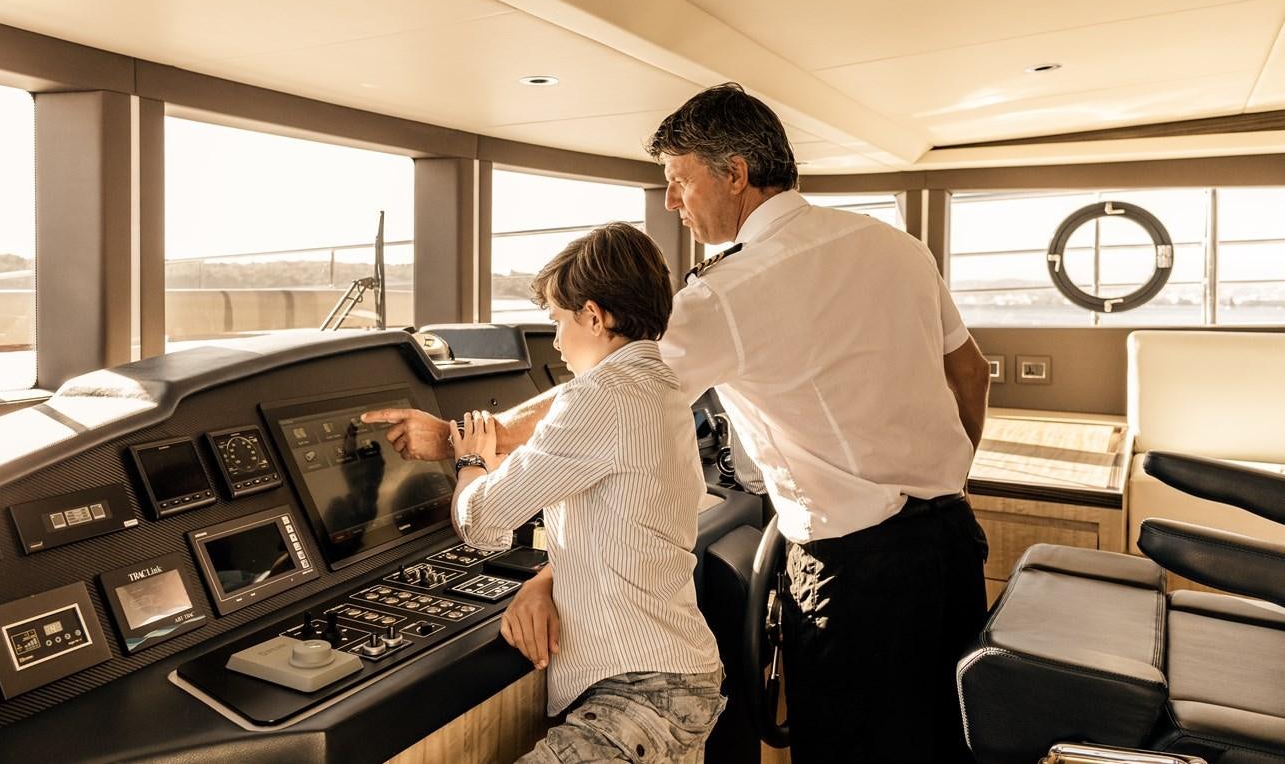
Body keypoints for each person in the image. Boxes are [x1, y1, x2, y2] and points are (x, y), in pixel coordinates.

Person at [373, 84, 992, 763]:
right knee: (946, 742)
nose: (672, 201)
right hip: (952, 542)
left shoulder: (728, 292)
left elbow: (614, 388)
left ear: (734, 174)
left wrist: (465, 438)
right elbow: (971, 374)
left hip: (860, 568)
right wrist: (938, 486)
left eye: (678, 181)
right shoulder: (895, 247)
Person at [379, 222, 724, 764]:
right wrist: (548, 579)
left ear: (594, 315)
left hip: (637, 695)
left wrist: (471, 456)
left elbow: (484, 522)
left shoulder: (596, 397)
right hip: (675, 681)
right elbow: (626, 523)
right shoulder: (663, 388)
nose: (557, 340)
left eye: (559, 321)